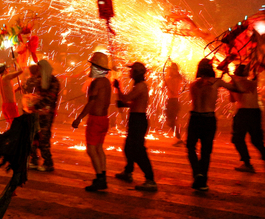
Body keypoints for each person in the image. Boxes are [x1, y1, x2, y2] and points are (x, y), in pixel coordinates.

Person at [187, 58, 242, 191]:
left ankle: (197, 174)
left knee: (190, 147)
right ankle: (202, 179)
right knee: (206, 151)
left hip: (195, 118)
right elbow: (239, 89)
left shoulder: (193, 84)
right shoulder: (217, 82)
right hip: (208, 119)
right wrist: (229, 74)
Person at [113, 62, 157, 191]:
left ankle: (150, 179)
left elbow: (125, 98)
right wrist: (126, 105)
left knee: (138, 151)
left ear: (137, 73)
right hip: (135, 119)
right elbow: (135, 103)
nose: (129, 72)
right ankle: (128, 172)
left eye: (131, 70)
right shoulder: (139, 85)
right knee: (128, 148)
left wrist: (118, 88)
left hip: (138, 121)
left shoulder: (140, 86)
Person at [72, 52, 112, 192]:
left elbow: (91, 103)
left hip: (95, 119)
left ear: (98, 68)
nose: (90, 69)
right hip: (104, 119)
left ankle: (100, 178)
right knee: (99, 149)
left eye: (92, 66)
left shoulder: (96, 83)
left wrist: (79, 118)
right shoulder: (106, 82)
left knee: (91, 150)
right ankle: (103, 177)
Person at [230, 64, 265, 172]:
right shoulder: (253, 82)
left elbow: (232, 100)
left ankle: (247, 163)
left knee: (237, 139)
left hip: (243, 112)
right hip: (256, 112)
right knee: (257, 139)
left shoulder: (234, 83)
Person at [25, 60, 61, 172]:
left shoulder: (53, 81)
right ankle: (34, 160)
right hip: (36, 113)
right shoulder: (38, 79)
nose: (38, 71)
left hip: (46, 115)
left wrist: (36, 105)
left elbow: (50, 98)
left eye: (40, 69)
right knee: (33, 137)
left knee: (43, 138)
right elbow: (32, 90)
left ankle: (48, 163)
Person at [0, 63, 23, 127]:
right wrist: (16, 62)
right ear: (5, 70)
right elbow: (20, 71)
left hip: (5, 106)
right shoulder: (6, 77)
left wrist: (16, 90)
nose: (8, 69)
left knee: (11, 125)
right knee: (17, 125)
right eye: (7, 68)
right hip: (10, 106)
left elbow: (6, 92)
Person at [164, 62, 184, 146]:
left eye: (171, 69)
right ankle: (179, 138)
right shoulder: (178, 78)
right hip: (173, 101)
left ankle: (179, 138)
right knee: (171, 121)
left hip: (173, 101)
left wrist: (166, 79)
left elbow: (164, 85)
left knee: (171, 121)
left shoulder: (173, 79)